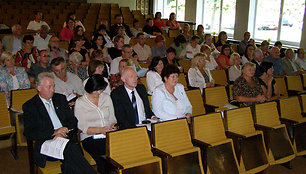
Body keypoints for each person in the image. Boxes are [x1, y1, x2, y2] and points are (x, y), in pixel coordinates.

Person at [22, 72, 96, 174]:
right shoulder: (30, 106)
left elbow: (72, 120)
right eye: (49, 87)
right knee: (71, 150)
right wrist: (55, 132)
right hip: (48, 143)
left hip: (66, 137)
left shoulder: (60, 98)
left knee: (70, 159)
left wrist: (65, 129)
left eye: (53, 86)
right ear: (39, 88)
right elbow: (30, 133)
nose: (52, 90)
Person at [74, 74, 116, 174]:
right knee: (104, 155)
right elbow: (82, 126)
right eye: (96, 90)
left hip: (108, 134)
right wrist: (100, 130)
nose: (99, 92)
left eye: (101, 90)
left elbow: (112, 118)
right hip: (91, 137)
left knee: (120, 149)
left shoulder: (106, 98)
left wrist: (112, 127)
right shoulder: (80, 102)